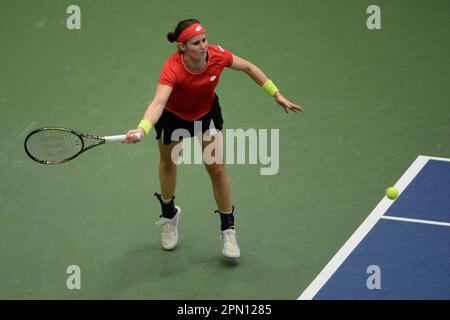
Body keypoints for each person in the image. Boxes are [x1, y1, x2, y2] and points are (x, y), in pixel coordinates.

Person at [124, 19, 302, 259]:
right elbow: (158, 102)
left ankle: (228, 228)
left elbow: (248, 67)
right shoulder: (172, 68)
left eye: (204, 40)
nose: (203, 46)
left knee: (217, 169)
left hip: (206, 114)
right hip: (174, 117)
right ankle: (169, 214)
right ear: (182, 46)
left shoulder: (217, 55)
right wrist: (142, 129)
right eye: (196, 43)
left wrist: (276, 94)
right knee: (168, 163)